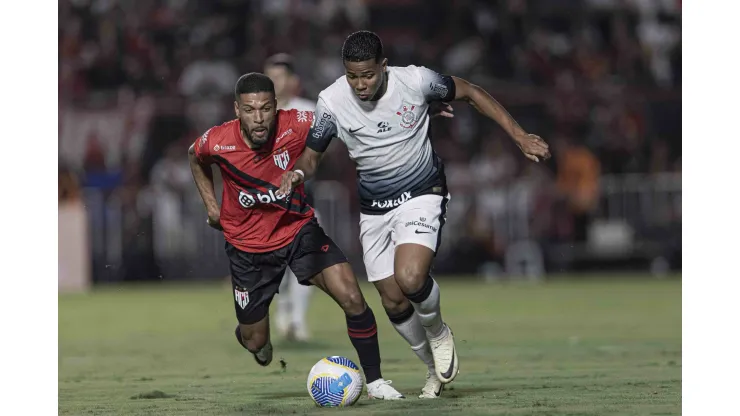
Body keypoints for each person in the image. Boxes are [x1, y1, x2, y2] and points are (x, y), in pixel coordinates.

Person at [278, 31, 551, 398]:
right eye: (352, 76)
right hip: (374, 207)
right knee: (391, 298)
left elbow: (470, 91)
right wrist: (296, 173)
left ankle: (438, 332)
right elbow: (312, 155)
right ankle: (431, 367)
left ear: (384, 67)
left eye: (368, 75)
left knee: (410, 277)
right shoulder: (331, 101)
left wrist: (519, 136)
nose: (360, 84)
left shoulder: (416, 81)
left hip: (421, 193)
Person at [188, 72, 405, 400]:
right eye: (250, 110)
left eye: (265, 109)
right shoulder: (218, 140)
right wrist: (213, 207)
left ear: (276, 107)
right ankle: (253, 334)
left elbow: (343, 117)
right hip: (248, 250)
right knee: (256, 342)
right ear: (237, 110)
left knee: (352, 297)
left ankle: (375, 382)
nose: (259, 118)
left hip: (297, 231)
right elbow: (194, 155)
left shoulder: (298, 122)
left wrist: (410, 111)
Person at [264, 53, 316, 342]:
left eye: (279, 75)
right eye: (268, 74)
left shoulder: (308, 111)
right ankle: (284, 308)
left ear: (293, 81)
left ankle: (297, 320)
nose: (273, 81)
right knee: (275, 265)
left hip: (302, 197)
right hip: (264, 201)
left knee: (305, 261)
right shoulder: (255, 112)